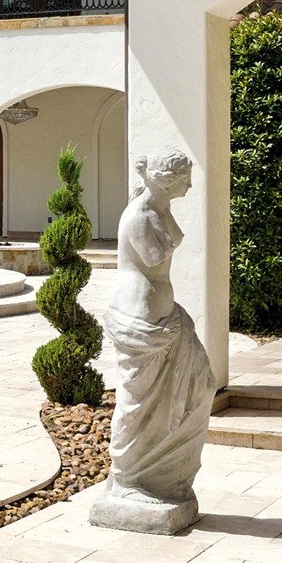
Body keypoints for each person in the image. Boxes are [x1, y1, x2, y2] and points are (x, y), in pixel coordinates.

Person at [91, 149, 215, 534]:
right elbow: (154, 256)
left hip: (163, 316)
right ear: (165, 179)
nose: (190, 186)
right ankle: (130, 478)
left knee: (201, 382)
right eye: (184, 179)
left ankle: (162, 475)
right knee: (138, 404)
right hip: (140, 322)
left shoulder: (157, 211)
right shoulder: (140, 216)